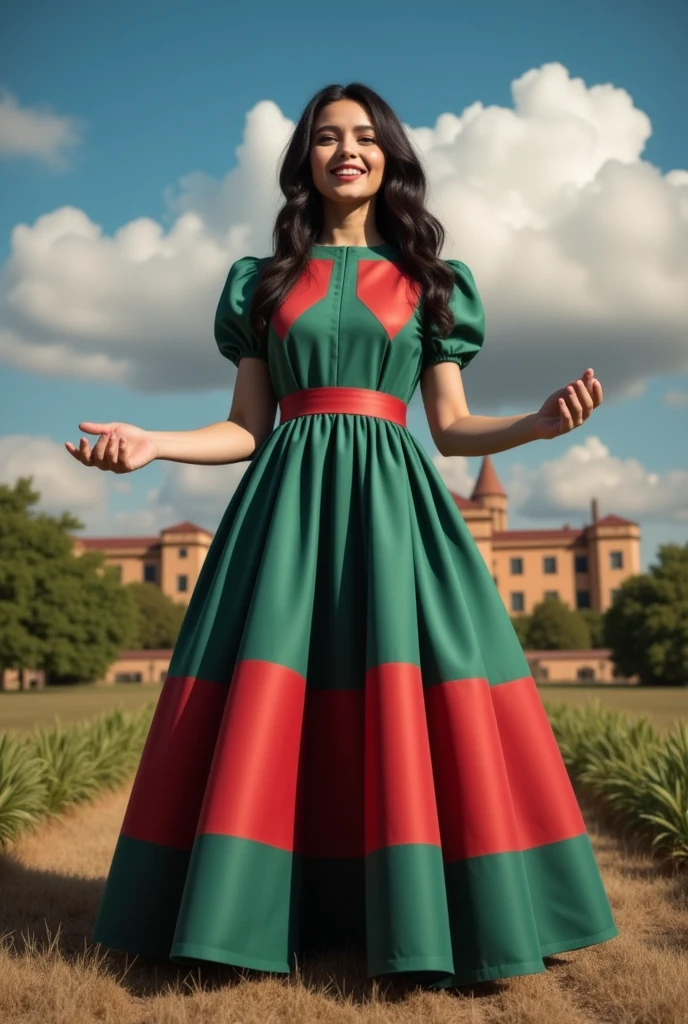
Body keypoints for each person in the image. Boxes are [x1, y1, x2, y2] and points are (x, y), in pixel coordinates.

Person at [66, 82, 617, 990]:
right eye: (326, 137)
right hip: (282, 510)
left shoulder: (434, 282)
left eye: (364, 137)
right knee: (272, 707)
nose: (346, 150)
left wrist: (537, 426)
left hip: (396, 509)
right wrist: (150, 442)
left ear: (390, 157)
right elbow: (246, 426)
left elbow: (448, 428)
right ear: (305, 162)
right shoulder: (262, 281)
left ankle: (424, 915)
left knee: (411, 700)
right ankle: (249, 914)